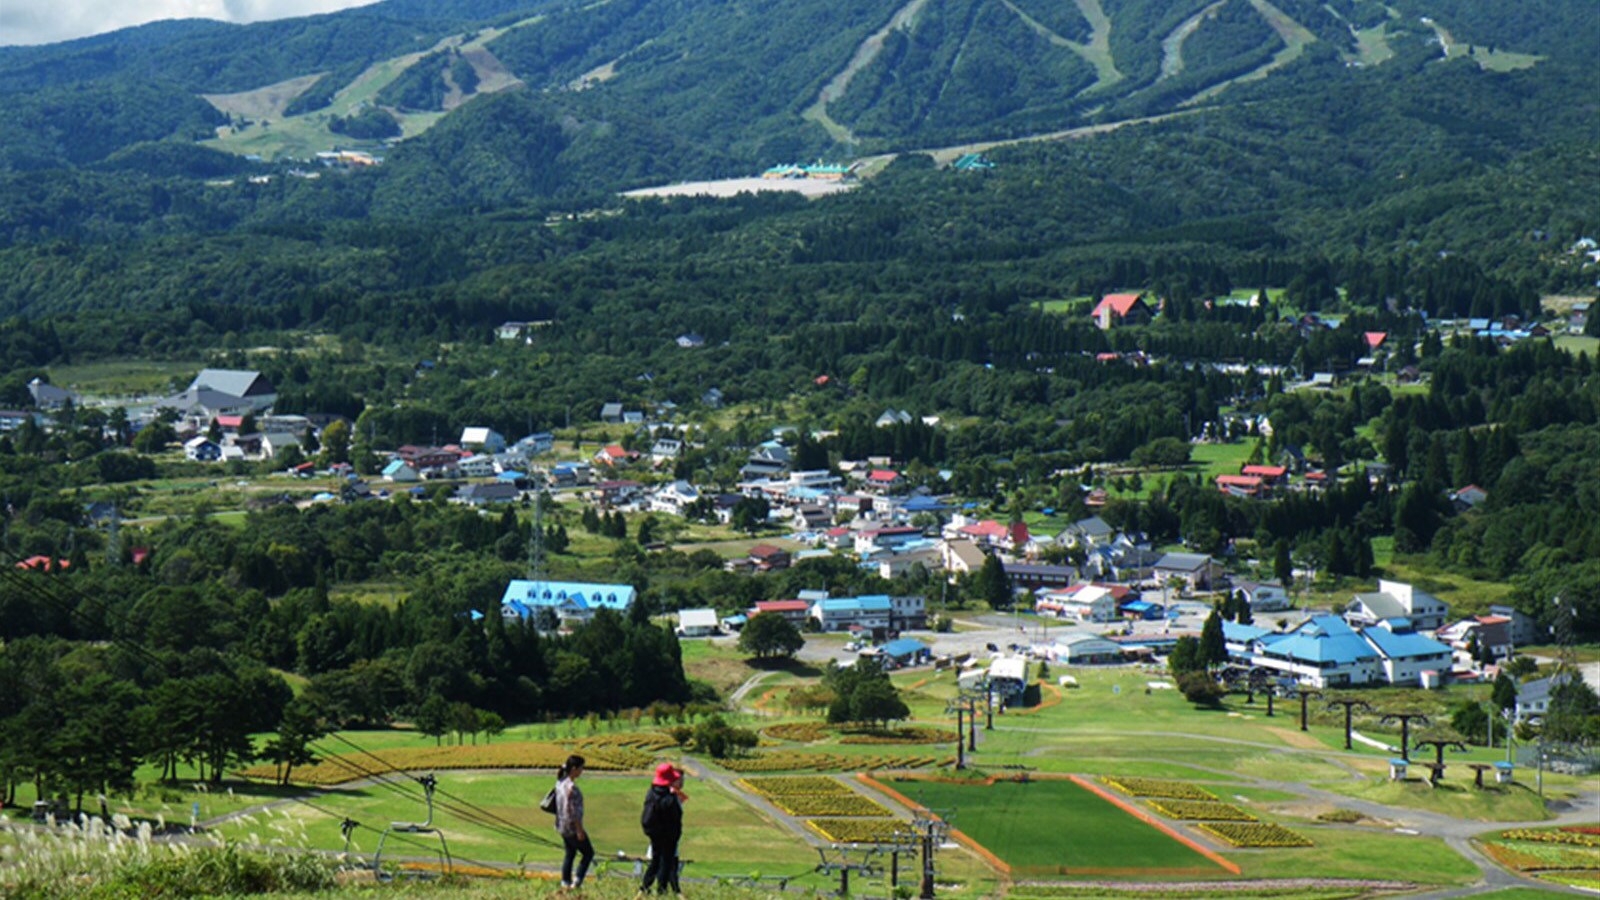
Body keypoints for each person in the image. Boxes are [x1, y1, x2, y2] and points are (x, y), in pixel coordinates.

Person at [639, 762, 686, 894]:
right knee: (666, 863)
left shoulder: (651, 793)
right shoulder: (669, 797)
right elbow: (676, 818)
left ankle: (644, 888)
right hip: (668, 835)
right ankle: (662, 890)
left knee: (655, 861)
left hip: (654, 833)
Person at [555, 754, 594, 890]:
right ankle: (577, 882)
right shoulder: (572, 788)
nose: (582, 771)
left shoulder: (560, 783)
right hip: (572, 827)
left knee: (570, 853)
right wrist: (579, 830)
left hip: (562, 826)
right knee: (588, 853)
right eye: (581, 768)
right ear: (574, 768)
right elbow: (574, 812)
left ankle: (565, 882)